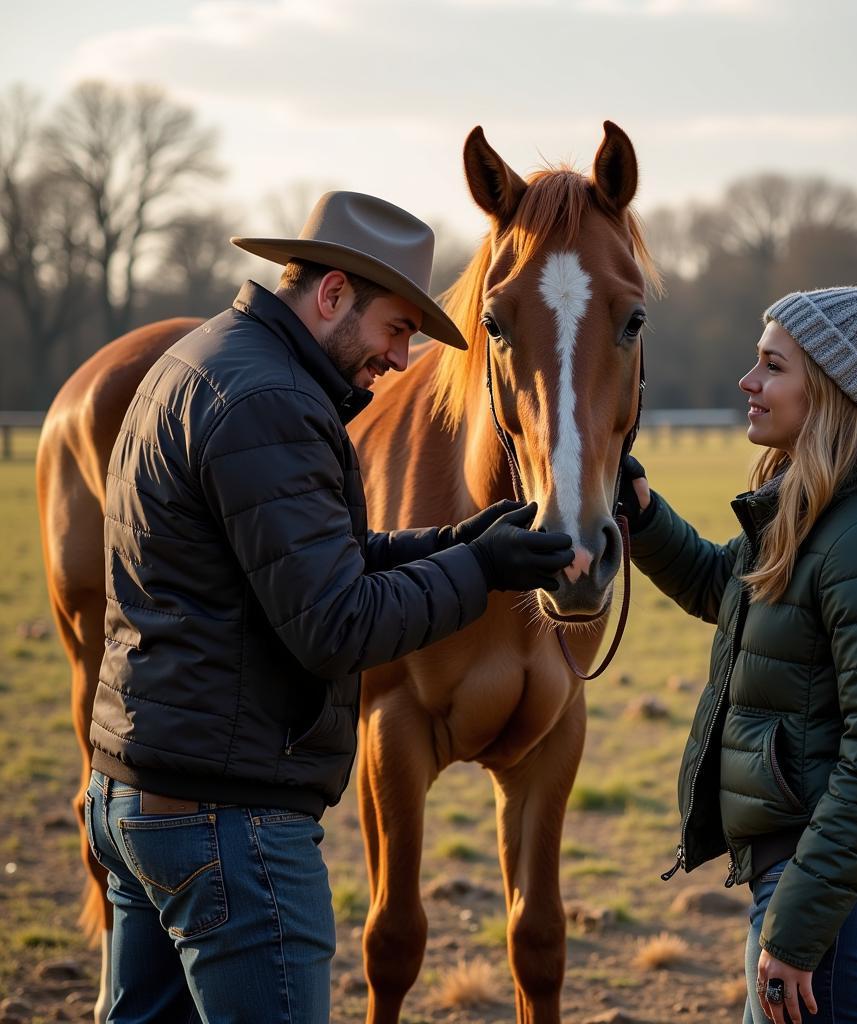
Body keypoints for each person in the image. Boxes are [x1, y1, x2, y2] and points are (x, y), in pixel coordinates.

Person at [85, 191, 575, 1022]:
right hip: (227, 821)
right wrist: (480, 571)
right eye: (395, 330)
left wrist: (458, 542)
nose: (401, 359)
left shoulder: (209, 362)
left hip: (142, 791)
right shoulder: (270, 406)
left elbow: (305, 564)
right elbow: (336, 623)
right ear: (334, 293)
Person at [616, 287, 857, 1024]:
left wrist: (799, 927)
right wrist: (644, 512)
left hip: (845, 890)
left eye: (771, 365)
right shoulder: (812, 512)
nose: (748, 383)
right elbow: (727, 588)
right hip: (824, 878)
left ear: (830, 389)